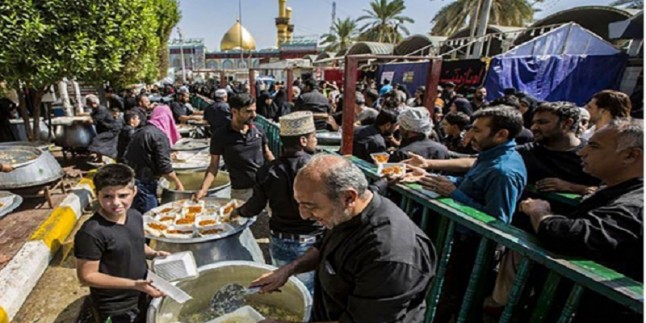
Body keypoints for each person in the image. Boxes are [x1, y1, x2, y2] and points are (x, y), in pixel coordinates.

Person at [250, 154, 436, 322]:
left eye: (310, 206)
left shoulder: (389, 255)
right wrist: (288, 270)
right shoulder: (346, 211)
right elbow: (324, 245)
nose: (304, 215)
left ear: (348, 197)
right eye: (299, 204)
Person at [410, 106, 528, 321]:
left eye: (477, 130)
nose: (470, 135)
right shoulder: (488, 157)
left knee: (459, 298)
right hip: (459, 240)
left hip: (473, 248)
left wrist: (454, 194)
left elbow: (498, 221)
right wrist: (430, 178)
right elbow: (469, 186)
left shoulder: (503, 171)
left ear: (501, 135)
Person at [519, 119, 643, 322]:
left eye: (593, 146)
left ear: (630, 155)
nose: (581, 153)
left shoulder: (636, 204)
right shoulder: (620, 190)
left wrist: (540, 212)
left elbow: (572, 236)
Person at [232, 111, 322, 293]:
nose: (316, 140)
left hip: (280, 240)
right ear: (303, 141)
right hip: (312, 245)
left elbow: (254, 207)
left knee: (283, 289)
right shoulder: (319, 169)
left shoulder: (268, 171)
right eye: (314, 136)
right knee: (307, 293)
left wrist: (237, 212)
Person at [74, 164, 169, 323]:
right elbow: (87, 276)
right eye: (107, 197)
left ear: (134, 192)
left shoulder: (135, 215)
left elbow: (135, 243)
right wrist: (134, 284)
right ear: (97, 195)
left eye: (123, 195)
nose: (116, 202)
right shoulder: (91, 232)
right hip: (115, 307)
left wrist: (153, 253)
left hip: (143, 293)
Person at [196, 93, 275, 201]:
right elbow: (214, 166)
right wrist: (203, 189)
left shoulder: (259, 130)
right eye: (248, 111)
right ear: (234, 111)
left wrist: (280, 171)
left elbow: (267, 152)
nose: (254, 115)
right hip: (241, 191)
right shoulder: (220, 136)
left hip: (264, 185)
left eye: (254, 110)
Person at [519, 102, 600, 194]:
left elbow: (611, 192)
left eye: (542, 122)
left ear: (567, 123)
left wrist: (572, 187)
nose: (534, 128)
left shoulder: (593, 155)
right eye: (533, 123)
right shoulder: (525, 153)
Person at [124, 106, 184, 214]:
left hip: (134, 176)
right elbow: (165, 167)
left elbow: (145, 153)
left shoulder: (142, 131)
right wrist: (178, 184)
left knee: (138, 209)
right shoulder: (159, 135)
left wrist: (168, 155)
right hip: (146, 180)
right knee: (149, 212)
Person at [87, 94, 122, 162]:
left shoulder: (101, 109)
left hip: (111, 130)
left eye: (88, 103)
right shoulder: (96, 109)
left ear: (93, 103)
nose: (87, 105)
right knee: (101, 144)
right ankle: (99, 159)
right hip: (104, 129)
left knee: (96, 141)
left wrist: (85, 121)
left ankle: (103, 159)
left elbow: (94, 120)